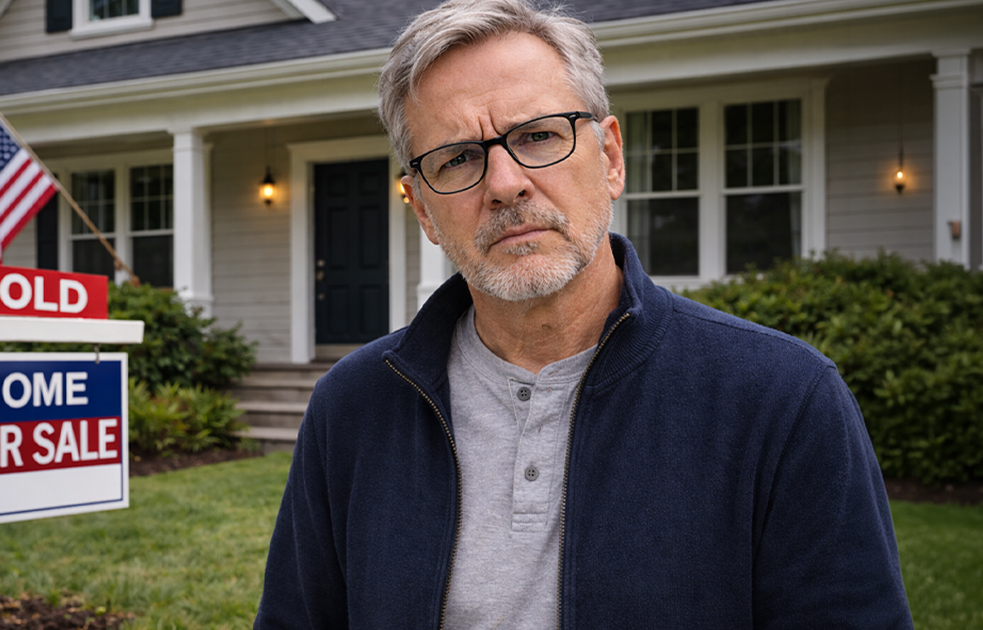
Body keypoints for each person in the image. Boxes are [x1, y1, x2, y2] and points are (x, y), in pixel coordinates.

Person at [255, 0, 913, 627]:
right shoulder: (352, 408)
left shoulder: (784, 400)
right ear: (422, 208)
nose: (505, 183)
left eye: (539, 135)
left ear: (611, 157)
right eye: (457, 158)